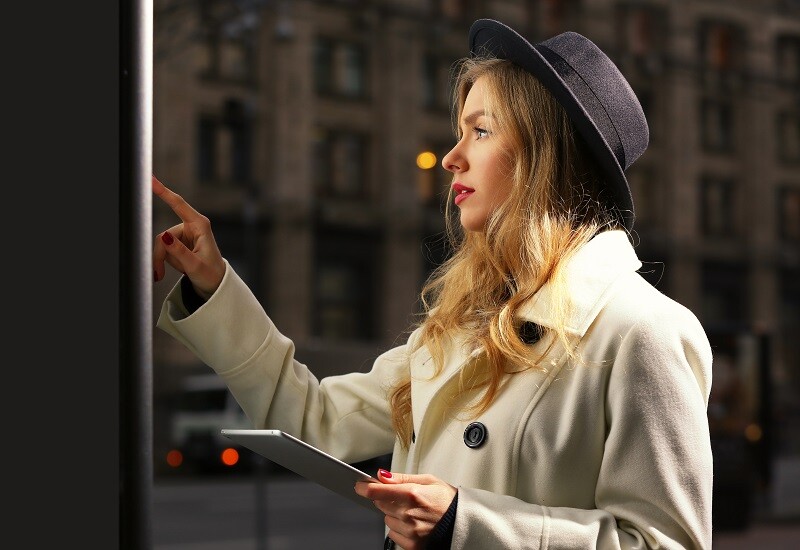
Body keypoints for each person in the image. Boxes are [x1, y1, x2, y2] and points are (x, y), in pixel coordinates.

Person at [153, 18, 713, 550]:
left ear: (547, 156)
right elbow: (314, 420)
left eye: (481, 131)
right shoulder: (465, 326)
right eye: (459, 132)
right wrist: (213, 283)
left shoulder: (645, 331)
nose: (451, 158)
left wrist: (465, 524)